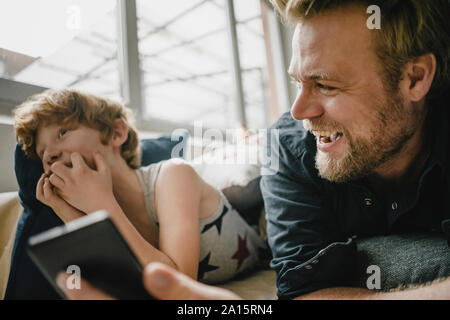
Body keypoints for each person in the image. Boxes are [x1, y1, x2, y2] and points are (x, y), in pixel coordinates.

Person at [259, 0, 450, 299]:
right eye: (298, 82)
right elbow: (303, 292)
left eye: (325, 85)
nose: (299, 111)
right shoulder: (285, 145)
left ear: (415, 78)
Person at [13, 88, 268, 287]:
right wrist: (66, 210)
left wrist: (103, 205)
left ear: (116, 133)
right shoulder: (88, 206)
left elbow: (179, 287)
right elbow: (121, 282)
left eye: (62, 132)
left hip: (258, 241)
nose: (51, 155)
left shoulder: (173, 175)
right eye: (42, 152)